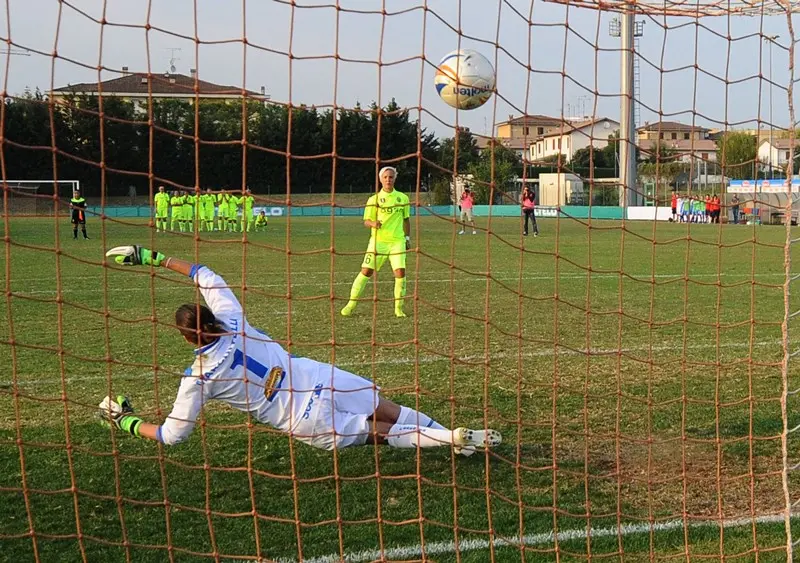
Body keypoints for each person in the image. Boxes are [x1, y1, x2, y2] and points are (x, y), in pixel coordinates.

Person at [98, 245, 501, 456]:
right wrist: (152, 257)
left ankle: (451, 439)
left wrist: (126, 422)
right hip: (316, 376)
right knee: (388, 410)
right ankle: (454, 437)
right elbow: (206, 275)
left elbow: (172, 435)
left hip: (299, 417)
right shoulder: (234, 320)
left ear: (187, 339)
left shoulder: (198, 378)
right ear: (209, 318)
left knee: (376, 433)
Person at [341, 166, 410, 318]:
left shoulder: (403, 198)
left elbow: (406, 220)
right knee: (366, 271)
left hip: (397, 242)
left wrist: (407, 238)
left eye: (391, 177)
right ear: (380, 179)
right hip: (378, 242)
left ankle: (399, 309)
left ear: (394, 179)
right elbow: (366, 221)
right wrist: (373, 224)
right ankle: (350, 304)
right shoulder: (374, 200)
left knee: (400, 273)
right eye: (385, 177)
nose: (388, 180)